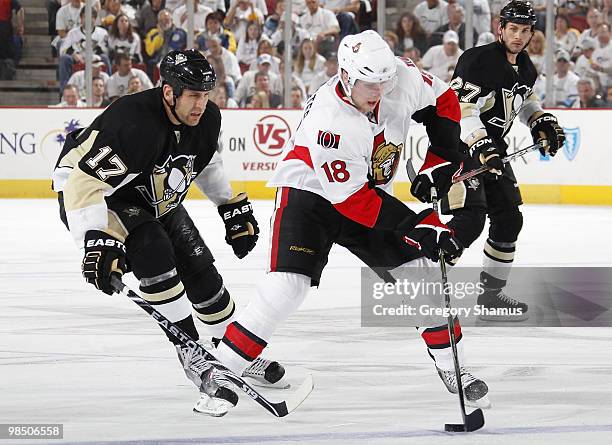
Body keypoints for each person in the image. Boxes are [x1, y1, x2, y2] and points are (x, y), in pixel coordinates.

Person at [212, 30, 490, 417]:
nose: (378, 90)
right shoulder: (331, 118)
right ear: (345, 76)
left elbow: (444, 100)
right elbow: (351, 200)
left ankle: (452, 366)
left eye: (384, 81)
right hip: (311, 195)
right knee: (288, 286)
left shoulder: (400, 76)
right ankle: (222, 371)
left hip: (368, 193)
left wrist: (438, 159)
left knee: (418, 276)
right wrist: (419, 223)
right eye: (368, 83)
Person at [51, 49, 287, 418]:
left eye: (206, 94)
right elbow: (84, 185)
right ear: (168, 92)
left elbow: (203, 161)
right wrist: (95, 238)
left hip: (151, 193)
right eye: (193, 95)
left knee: (200, 268)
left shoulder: (206, 116)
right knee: (155, 251)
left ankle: (230, 349)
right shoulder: (133, 124)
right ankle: (189, 348)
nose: (201, 103)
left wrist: (229, 205)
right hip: (99, 195)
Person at [442, 1, 566, 321]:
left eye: (525, 31)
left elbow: (523, 100)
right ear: (501, 28)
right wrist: (480, 143)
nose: (519, 36)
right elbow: (462, 109)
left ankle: (491, 295)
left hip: (493, 150)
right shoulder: (477, 60)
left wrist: (539, 120)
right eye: (513, 29)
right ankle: (422, 287)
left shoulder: (526, 67)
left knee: (509, 219)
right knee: (469, 220)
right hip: (462, 148)